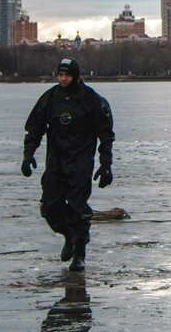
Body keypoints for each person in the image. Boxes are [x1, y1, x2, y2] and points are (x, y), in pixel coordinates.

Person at [21, 58, 115, 272]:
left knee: (76, 209)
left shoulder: (90, 99)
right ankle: (69, 235)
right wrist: (28, 155)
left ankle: (79, 254)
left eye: (67, 75)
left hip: (80, 163)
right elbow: (34, 128)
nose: (63, 79)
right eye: (60, 75)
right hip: (56, 161)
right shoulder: (51, 98)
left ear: (76, 76)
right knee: (49, 207)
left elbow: (106, 135)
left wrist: (106, 164)